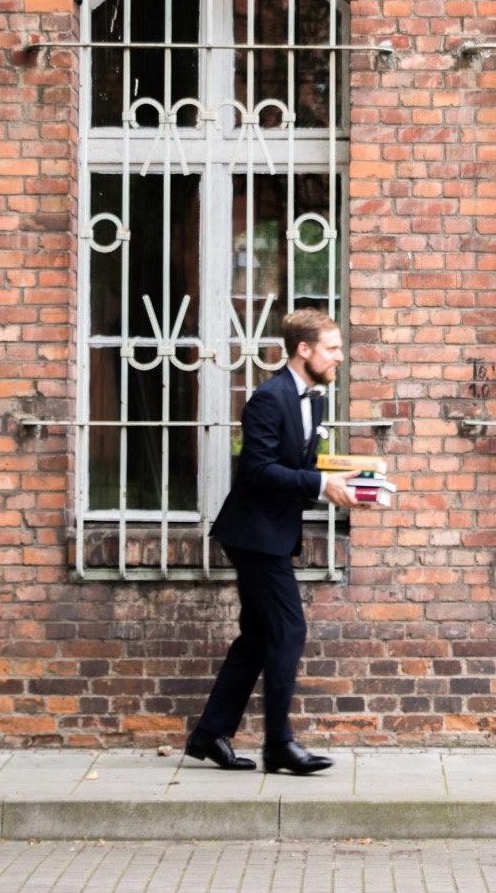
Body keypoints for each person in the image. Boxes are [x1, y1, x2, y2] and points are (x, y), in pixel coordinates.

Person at [185, 308, 363, 775]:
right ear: (304, 349)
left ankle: (209, 734)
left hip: (273, 532)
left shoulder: (314, 400)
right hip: (254, 534)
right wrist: (321, 485)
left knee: (259, 636)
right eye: (332, 348)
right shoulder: (268, 398)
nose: (339, 357)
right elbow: (258, 471)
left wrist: (353, 481)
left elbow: (298, 467)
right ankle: (279, 744)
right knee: (289, 630)